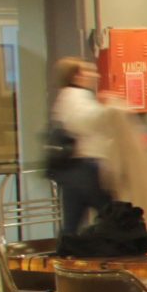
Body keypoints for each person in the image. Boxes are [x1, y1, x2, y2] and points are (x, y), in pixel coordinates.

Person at [48, 56, 117, 237]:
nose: (95, 75)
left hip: (73, 169)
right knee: (113, 215)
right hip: (86, 167)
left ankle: (66, 250)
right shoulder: (76, 97)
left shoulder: (67, 97)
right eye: (88, 71)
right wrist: (108, 107)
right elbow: (86, 122)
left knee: (72, 223)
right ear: (77, 76)